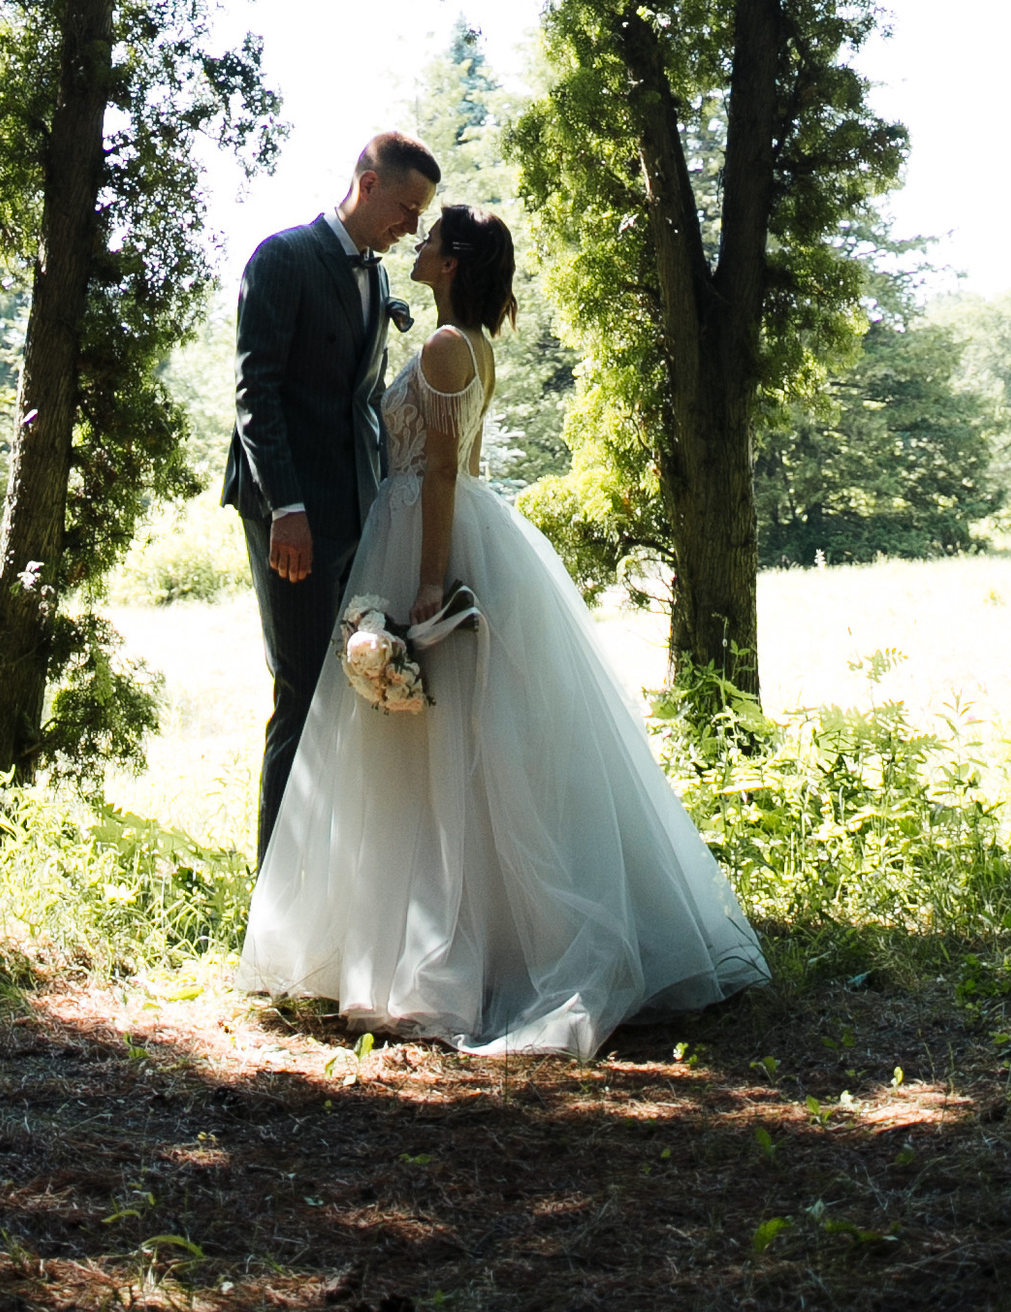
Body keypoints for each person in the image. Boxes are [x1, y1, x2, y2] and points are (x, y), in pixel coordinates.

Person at [238, 197, 770, 1058]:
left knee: (439, 745)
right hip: (424, 524)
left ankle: (447, 957)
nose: (417, 242)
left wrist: (427, 585)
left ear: (452, 263)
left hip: (426, 534)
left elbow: (447, 469)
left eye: (432, 238)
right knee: (444, 748)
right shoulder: (471, 344)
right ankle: (444, 941)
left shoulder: (450, 346)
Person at [224, 130, 439, 862]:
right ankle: (275, 894)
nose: (411, 226)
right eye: (407, 208)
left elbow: (364, 403)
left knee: (348, 687)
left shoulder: (378, 280)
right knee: (302, 687)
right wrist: (287, 507)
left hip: (357, 512)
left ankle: (333, 883)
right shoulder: (282, 257)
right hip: (289, 515)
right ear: (368, 184)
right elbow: (258, 393)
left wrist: (382, 503)